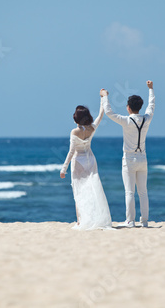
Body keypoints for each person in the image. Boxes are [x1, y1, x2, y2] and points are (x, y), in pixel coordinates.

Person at [100, 80, 155, 228]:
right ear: (139, 107)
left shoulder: (126, 121)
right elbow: (151, 106)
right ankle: (144, 221)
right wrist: (151, 89)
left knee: (129, 192)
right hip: (143, 159)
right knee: (143, 192)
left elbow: (109, 112)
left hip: (129, 159)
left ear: (128, 107)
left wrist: (104, 96)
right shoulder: (147, 119)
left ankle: (130, 221)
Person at [60, 98, 113, 230]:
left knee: (78, 191)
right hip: (90, 160)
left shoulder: (74, 132)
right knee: (93, 188)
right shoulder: (91, 129)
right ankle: (95, 217)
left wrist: (63, 168)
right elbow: (101, 115)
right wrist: (103, 100)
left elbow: (71, 152)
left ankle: (80, 220)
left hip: (78, 162)